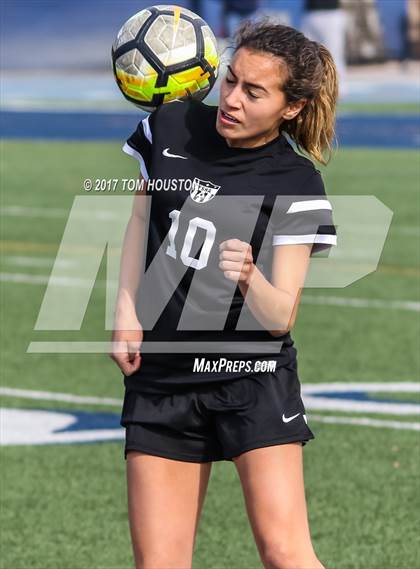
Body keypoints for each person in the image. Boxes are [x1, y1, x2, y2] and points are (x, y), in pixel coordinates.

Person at [111, 19, 337, 569]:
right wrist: (124, 311)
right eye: (230, 80)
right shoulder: (169, 127)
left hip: (250, 377)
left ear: (292, 108)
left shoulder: (297, 181)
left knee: (285, 553)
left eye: (253, 92)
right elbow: (141, 218)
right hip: (163, 377)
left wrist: (249, 276)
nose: (230, 100)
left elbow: (280, 316)